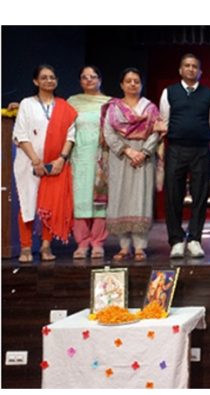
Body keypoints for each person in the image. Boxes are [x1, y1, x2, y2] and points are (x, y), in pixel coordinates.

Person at [13, 64, 77, 263]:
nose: (49, 80)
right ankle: (25, 247)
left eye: (52, 77)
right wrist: (36, 161)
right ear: (36, 81)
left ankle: (46, 246)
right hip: (29, 163)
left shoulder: (64, 106)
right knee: (28, 203)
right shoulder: (27, 104)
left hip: (56, 164)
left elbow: (71, 135)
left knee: (50, 205)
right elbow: (21, 134)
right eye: (44, 77)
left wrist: (61, 159)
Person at [159, 53, 210, 259]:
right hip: (176, 149)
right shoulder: (169, 92)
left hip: (201, 150)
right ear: (180, 70)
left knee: (200, 195)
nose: (191, 69)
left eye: (195, 66)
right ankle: (175, 240)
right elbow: (164, 120)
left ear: (200, 71)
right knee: (173, 195)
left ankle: (194, 239)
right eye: (187, 66)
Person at [102, 68, 161, 262]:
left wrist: (143, 152)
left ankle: (139, 247)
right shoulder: (113, 108)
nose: (133, 84)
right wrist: (128, 151)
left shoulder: (150, 108)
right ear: (121, 84)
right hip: (121, 157)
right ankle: (124, 247)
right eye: (128, 81)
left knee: (140, 198)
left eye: (136, 81)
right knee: (120, 197)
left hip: (144, 158)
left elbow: (156, 132)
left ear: (141, 84)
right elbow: (108, 133)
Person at [67, 66, 111, 260]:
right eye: (84, 77)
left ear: (100, 79)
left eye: (93, 77)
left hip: (103, 157)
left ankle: (98, 242)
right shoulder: (72, 102)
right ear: (80, 81)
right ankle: (82, 242)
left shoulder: (110, 103)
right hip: (79, 157)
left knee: (100, 200)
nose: (89, 80)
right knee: (80, 200)